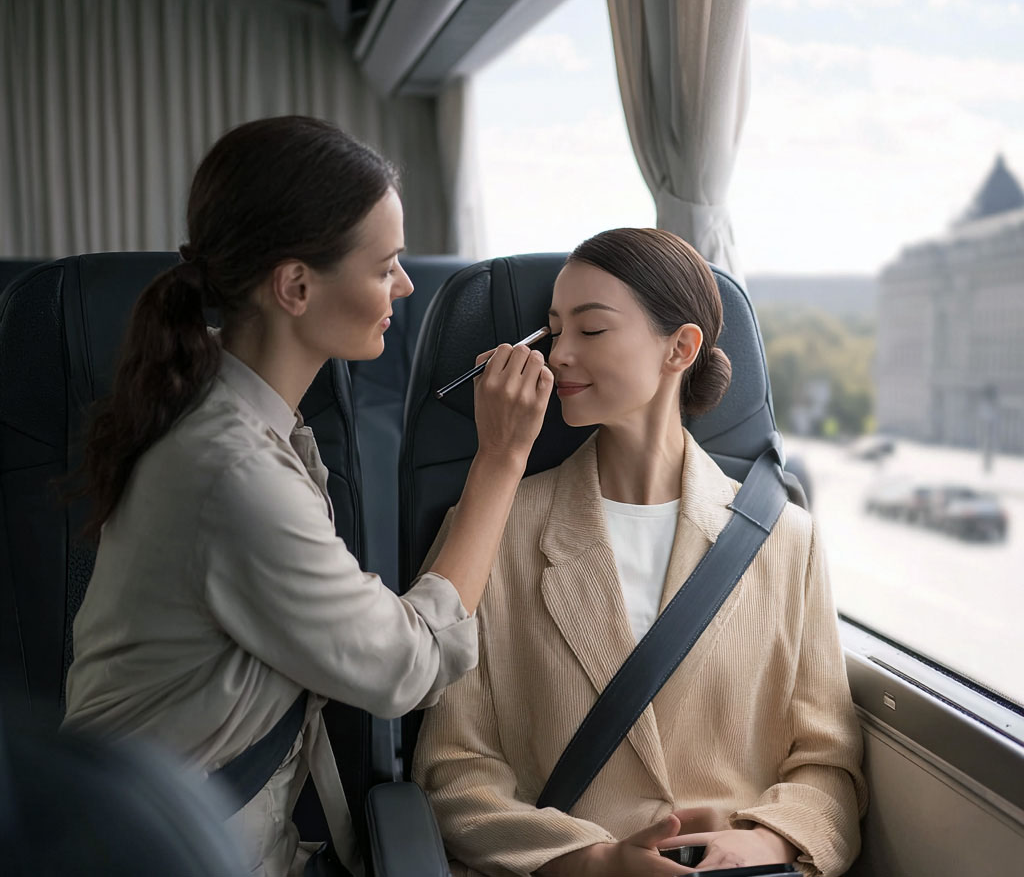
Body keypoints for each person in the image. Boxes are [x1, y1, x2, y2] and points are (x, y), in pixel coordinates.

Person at [62, 116, 553, 877]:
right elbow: (406, 664)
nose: (405, 285)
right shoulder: (231, 474)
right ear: (295, 286)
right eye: (385, 264)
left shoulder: (228, 414)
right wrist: (500, 459)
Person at [413, 229, 867, 877]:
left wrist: (769, 840)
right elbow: (452, 771)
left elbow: (828, 762)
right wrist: (594, 862)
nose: (559, 355)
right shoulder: (490, 532)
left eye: (591, 331)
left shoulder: (790, 542)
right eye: (551, 331)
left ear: (680, 348)